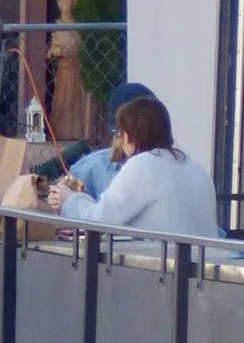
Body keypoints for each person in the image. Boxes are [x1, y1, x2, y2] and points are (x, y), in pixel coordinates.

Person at [46, 96, 219, 239]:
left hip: (164, 268)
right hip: (206, 265)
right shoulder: (194, 166)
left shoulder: (142, 165)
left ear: (128, 136)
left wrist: (69, 199)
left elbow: (99, 220)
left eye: (119, 133)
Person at [62, 81, 153, 199]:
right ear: (119, 133)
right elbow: (66, 210)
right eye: (137, 132)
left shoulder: (169, 165)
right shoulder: (90, 168)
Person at [46, 0, 91, 143]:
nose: (69, 3)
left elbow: (86, 46)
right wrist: (60, 50)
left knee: (79, 100)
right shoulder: (58, 26)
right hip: (65, 70)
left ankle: (80, 131)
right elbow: (51, 52)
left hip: (79, 69)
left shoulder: (80, 26)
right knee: (64, 100)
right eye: (65, 0)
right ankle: (62, 132)